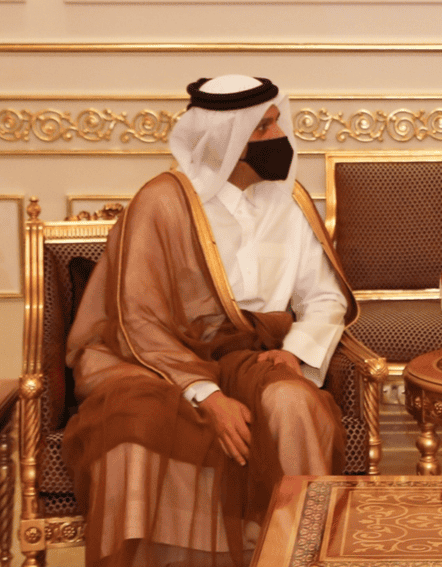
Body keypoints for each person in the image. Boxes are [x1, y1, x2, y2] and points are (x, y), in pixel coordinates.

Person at [62, 75, 357, 566]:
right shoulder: (163, 202)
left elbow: (325, 297)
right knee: (138, 424)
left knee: (295, 404)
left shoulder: (290, 202)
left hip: (250, 354)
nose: (279, 136)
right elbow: (139, 319)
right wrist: (207, 395)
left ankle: (299, 554)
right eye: (263, 128)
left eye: (276, 122)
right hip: (155, 360)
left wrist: (295, 352)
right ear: (226, 140)